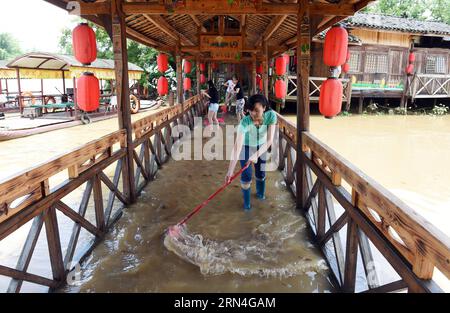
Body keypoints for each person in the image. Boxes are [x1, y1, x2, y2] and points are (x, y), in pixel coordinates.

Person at [225, 94, 277, 211]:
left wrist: (256, 155)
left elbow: (269, 141)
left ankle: (261, 196)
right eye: (250, 110)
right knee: (246, 176)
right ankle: (247, 206)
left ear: (264, 108)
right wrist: (230, 171)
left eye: (256, 111)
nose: (253, 114)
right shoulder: (244, 122)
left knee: (261, 173)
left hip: (262, 146)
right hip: (246, 147)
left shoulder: (271, 115)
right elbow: (237, 147)